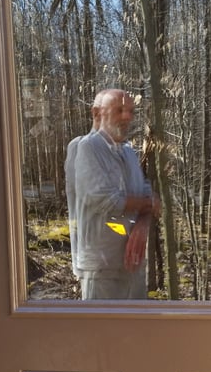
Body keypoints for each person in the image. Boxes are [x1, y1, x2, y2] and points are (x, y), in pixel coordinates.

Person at [73, 88, 160, 300]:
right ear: (96, 113)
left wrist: (141, 225)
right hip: (101, 269)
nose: (128, 117)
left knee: (137, 332)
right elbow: (104, 200)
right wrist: (146, 205)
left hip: (134, 266)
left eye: (131, 111)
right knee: (101, 332)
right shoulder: (87, 148)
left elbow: (148, 195)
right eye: (119, 110)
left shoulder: (128, 151)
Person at [64, 92, 104, 278]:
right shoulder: (79, 147)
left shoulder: (120, 150)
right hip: (91, 255)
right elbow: (83, 199)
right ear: (96, 114)